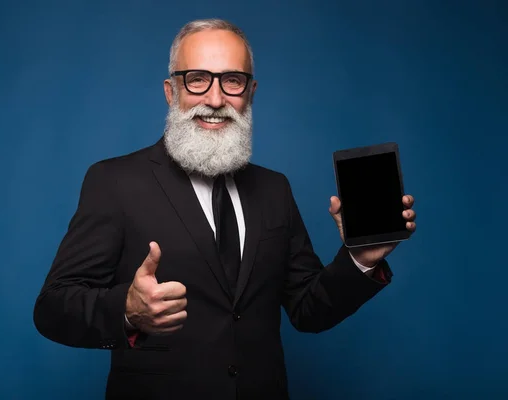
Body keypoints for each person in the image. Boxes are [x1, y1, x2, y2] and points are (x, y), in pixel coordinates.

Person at [33, 18, 417, 400]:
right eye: (197, 79)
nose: (215, 100)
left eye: (231, 81)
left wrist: (360, 259)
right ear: (171, 91)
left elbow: (308, 310)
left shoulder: (273, 189)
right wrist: (128, 310)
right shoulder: (115, 182)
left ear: (250, 92)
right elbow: (53, 308)